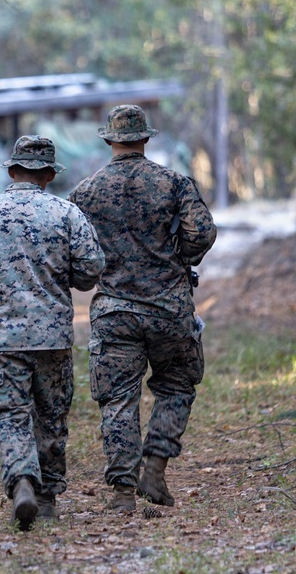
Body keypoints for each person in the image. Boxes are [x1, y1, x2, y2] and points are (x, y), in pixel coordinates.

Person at [68, 105, 217, 512]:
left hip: (114, 312)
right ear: (145, 138)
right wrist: (179, 258)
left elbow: (73, 253)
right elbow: (202, 232)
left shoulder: (84, 193)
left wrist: (97, 272)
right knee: (177, 384)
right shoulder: (173, 183)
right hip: (170, 308)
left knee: (118, 399)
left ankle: (120, 493)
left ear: (108, 140)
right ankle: (155, 466)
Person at [0, 135, 105, 531]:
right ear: (51, 174)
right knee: (51, 414)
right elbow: (91, 270)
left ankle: (21, 478)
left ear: (12, 169)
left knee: (8, 412)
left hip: (2, 337)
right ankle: (48, 496)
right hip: (53, 334)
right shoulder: (68, 214)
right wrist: (62, 281)